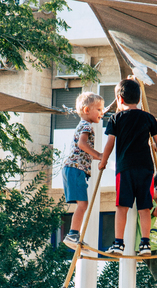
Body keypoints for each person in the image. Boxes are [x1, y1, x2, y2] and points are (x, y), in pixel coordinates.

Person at [98, 78, 157, 256]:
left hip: (125, 168)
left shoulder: (116, 118)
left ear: (119, 99)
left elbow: (110, 144)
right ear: (139, 99)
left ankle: (119, 243)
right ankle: (145, 244)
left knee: (122, 206)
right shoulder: (148, 117)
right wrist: (155, 148)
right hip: (146, 169)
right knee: (144, 207)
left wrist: (103, 161)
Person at [63, 92, 104, 250]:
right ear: (87, 110)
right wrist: (99, 155)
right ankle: (72, 234)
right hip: (75, 169)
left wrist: (97, 157)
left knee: (82, 204)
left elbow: (82, 152)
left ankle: (74, 234)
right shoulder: (86, 126)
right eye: (98, 110)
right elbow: (82, 145)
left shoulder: (83, 125)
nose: (101, 113)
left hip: (73, 169)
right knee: (83, 205)